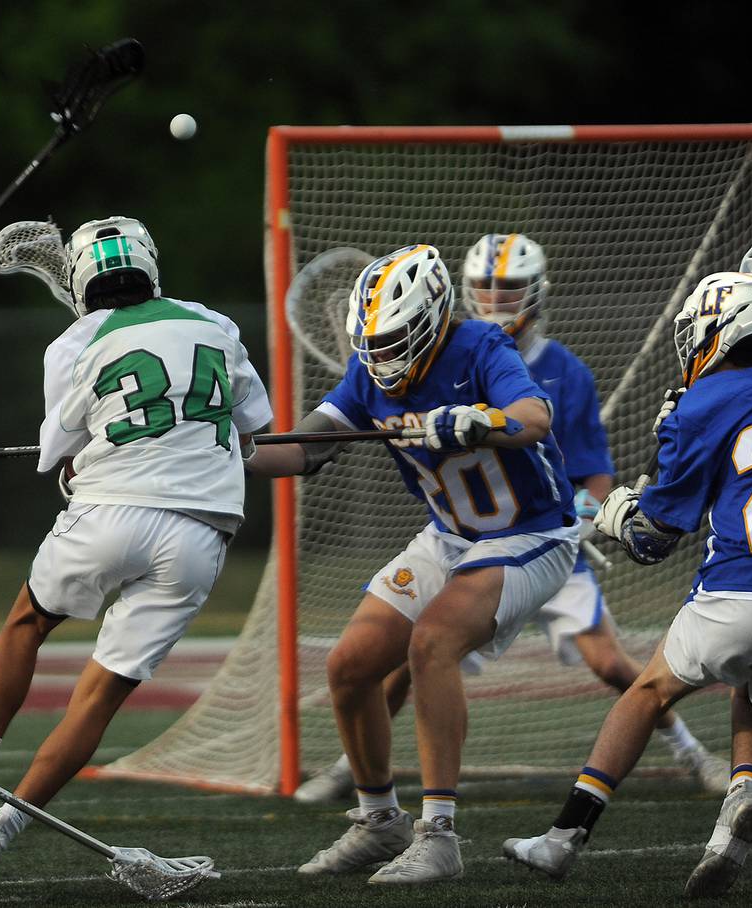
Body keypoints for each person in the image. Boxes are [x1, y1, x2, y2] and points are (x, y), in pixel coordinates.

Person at [292, 234, 726, 806]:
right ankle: (360, 769)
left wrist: (588, 511)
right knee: (398, 657)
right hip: (463, 543)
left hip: (543, 533)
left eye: (510, 286)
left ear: (539, 290)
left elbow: (579, 456)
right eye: (485, 287)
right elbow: (304, 444)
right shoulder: (396, 367)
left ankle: (691, 749)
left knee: (606, 661)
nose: (497, 299)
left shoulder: (529, 362)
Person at [0, 216, 273, 900]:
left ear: (81, 282)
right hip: (200, 536)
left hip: (111, 512)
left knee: (27, 623)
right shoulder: (215, 324)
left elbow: (59, 456)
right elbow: (262, 440)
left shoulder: (74, 340)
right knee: (100, 696)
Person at [504, 272, 752, 898]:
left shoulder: (704, 403)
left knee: (647, 692)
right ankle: (741, 797)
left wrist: (616, 511)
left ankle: (561, 840)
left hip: (746, 594)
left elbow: (651, 539)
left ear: (715, 334)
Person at [247, 244, 579, 884]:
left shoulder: (480, 346)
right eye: (374, 341)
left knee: (432, 643)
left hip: (532, 534)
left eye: (397, 338)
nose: (383, 356)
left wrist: (477, 421)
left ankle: (440, 835)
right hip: (451, 535)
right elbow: (303, 450)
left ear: (432, 317)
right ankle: (380, 821)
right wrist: (213, 453)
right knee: (349, 667)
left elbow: (536, 417)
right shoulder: (368, 373)